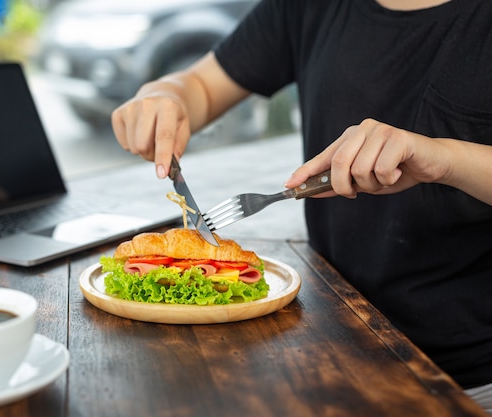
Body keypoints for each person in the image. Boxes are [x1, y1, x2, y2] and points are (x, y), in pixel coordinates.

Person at [111, 0, 492, 413]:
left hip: (469, 380)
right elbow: (201, 87)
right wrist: (164, 96)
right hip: (329, 342)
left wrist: (447, 159)